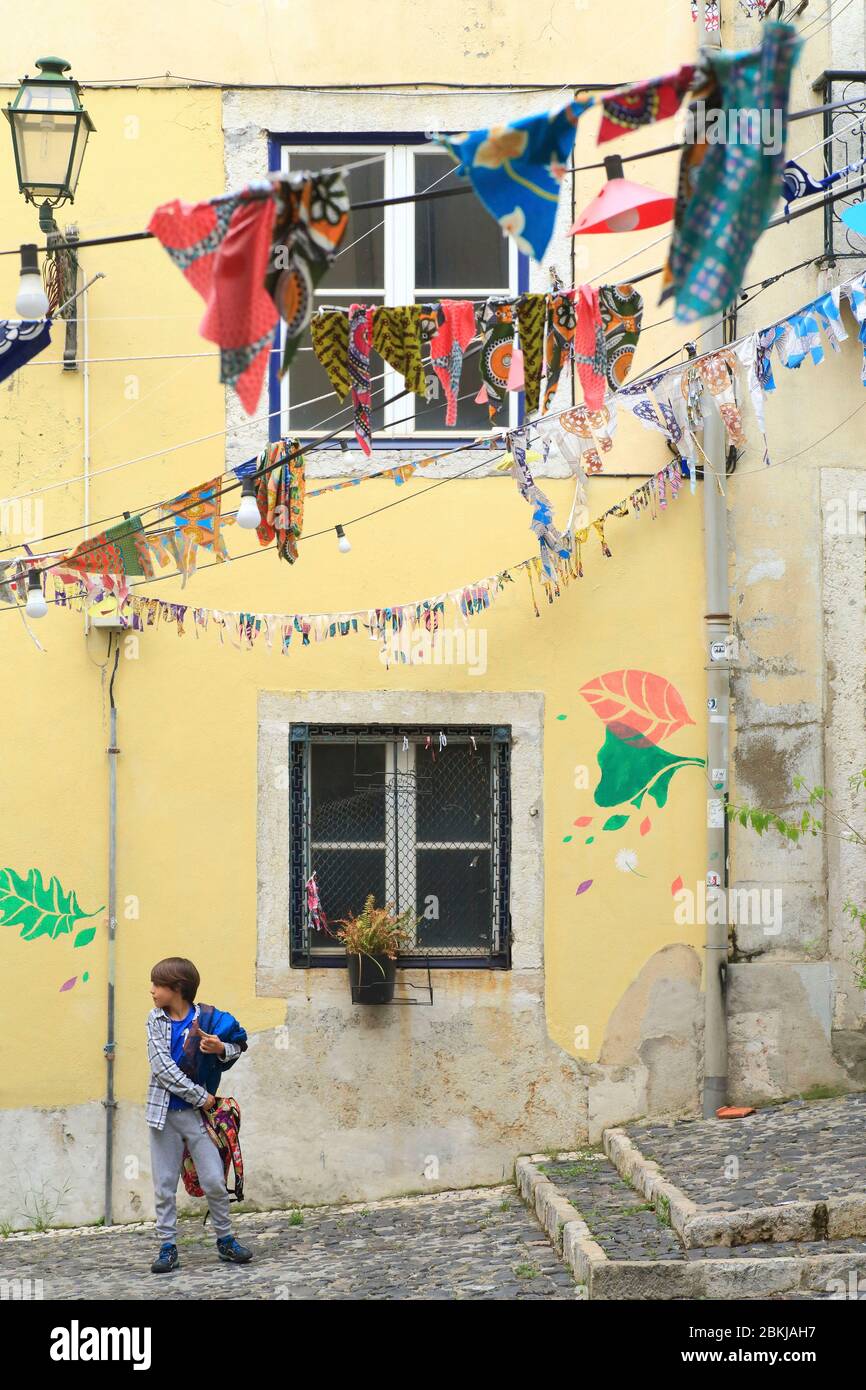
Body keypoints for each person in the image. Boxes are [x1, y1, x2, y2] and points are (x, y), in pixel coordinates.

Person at [146, 956, 253, 1273]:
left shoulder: (210, 1019)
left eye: (158, 985)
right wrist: (202, 1096)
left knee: (214, 1181)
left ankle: (225, 1241)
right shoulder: (155, 1021)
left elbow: (238, 1046)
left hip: (198, 1118)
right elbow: (163, 1070)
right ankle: (168, 1248)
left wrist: (220, 1048)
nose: (152, 991)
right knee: (164, 1184)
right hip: (164, 1115)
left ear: (176, 989)